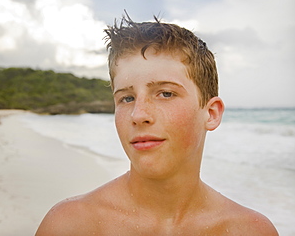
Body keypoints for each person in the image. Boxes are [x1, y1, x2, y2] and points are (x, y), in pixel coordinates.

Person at [35, 13, 278, 235]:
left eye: (166, 94)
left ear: (211, 113)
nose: (139, 115)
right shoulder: (71, 225)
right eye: (127, 98)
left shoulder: (249, 230)